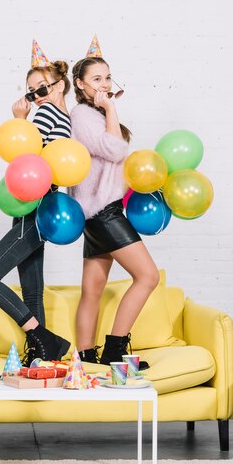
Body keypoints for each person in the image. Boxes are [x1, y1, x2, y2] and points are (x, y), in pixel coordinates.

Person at [0, 41, 71, 366]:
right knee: (32, 293)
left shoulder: (47, 112)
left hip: (34, 205)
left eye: (40, 88)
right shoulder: (65, 117)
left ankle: (42, 337)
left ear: (59, 84)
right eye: (30, 92)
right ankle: (41, 360)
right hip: (39, 208)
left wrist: (19, 119)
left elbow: (27, 156)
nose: (35, 96)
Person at [68, 35, 159, 367]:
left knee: (92, 290)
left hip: (97, 211)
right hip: (103, 212)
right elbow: (115, 149)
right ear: (79, 84)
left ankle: (86, 361)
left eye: (107, 77)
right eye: (96, 79)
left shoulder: (94, 113)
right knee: (148, 276)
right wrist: (110, 107)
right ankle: (115, 351)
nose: (104, 83)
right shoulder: (83, 114)